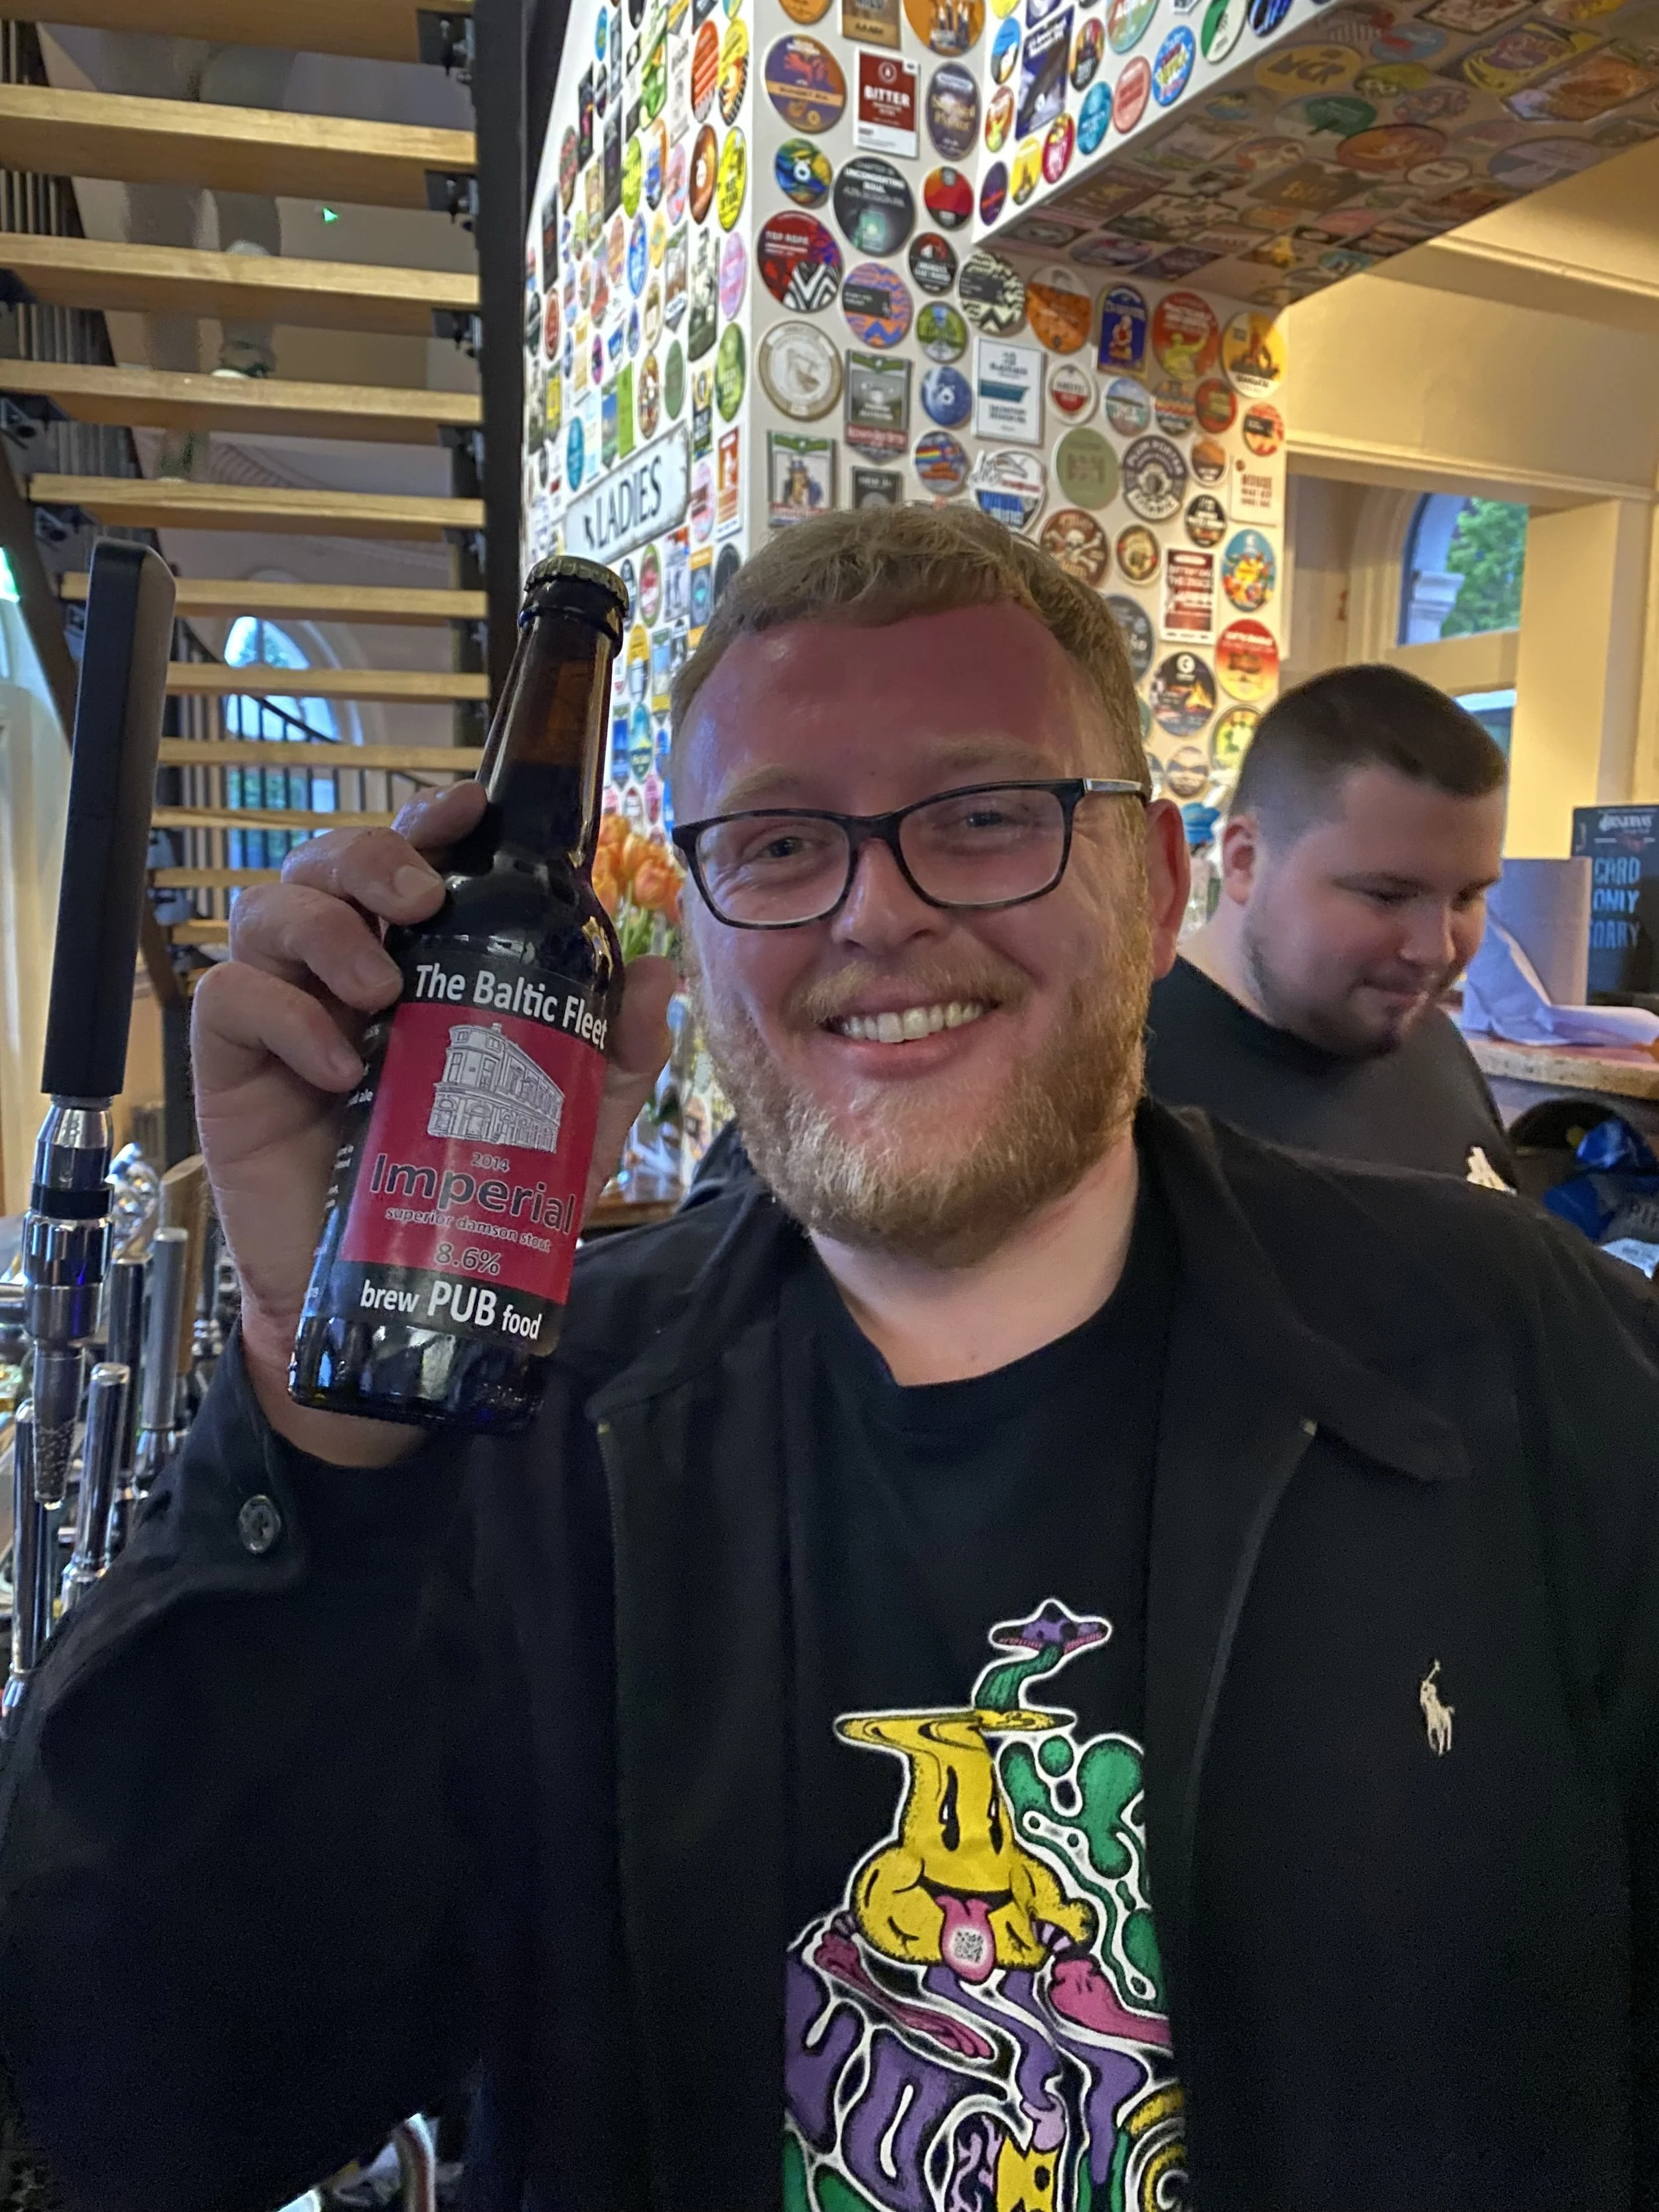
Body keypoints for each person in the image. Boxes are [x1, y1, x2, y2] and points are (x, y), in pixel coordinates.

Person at [5, 508, 1659, 2212]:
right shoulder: (525, 1440)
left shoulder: (1510, 1348)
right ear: (701, 935)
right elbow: (141, 2104)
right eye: (783, 844)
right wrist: (310, 1405)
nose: (877, 911)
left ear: (1160, 887)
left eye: (986, 815)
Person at [1147, 664, 1518, 1183]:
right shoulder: (1121, 1091)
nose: (1435, 951)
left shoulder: (1430, 1044)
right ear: (1244, 861)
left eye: (1467, 897)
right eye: (1387, 895)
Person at [80, 31, 297, 476]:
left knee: (237, 164)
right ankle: (184, 409)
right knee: (157, 219)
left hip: (243, 18)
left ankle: (244, 352)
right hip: (144, 28)